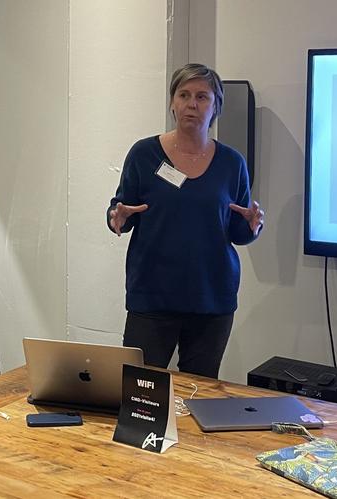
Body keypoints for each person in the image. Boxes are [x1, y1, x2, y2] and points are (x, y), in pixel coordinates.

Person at [107, 63, 264, 379]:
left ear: (216, 106)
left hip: (211, 299)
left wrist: (251, 227)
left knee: (199, 393)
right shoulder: (144, 154)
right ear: (172, 102)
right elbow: (121, 212)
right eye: (184, 95)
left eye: (202, 97)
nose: (192, 104)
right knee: (140, 390)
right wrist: (116, 217)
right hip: (152, 297)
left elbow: (236, 231)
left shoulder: (232, 163)